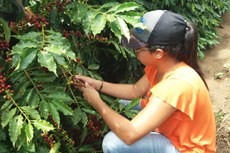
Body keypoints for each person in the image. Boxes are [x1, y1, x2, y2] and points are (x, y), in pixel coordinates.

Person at [75, 10, 216, 153]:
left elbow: (130, 134)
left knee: (112, 143)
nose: (134, 51)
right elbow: (135, 90)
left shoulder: (177, 84)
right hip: (173, 134)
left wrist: (97, 103)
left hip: (185, 148)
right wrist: (97, 85)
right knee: (119, 105)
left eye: (138, 48)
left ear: (158, 53)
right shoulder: (161, 66)